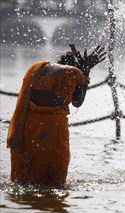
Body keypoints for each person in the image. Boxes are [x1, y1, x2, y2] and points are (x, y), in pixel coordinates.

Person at [7, 44, 107, 185]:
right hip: (52, 127)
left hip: (27, 124)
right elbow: (77, 102)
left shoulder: (39, 67)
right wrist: (86, 72)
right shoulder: (73, 73)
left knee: (25, 173)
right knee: (54, 177)